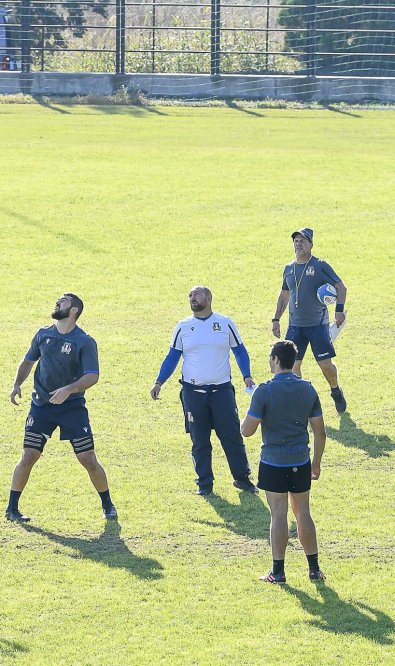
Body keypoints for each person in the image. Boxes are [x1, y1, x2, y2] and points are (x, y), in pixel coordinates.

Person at [6, 294, 116, 522]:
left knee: (87, 458)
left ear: (74, 310)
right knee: (28, 455)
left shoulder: (84, 341)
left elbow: (92, 376)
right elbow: (28, 361)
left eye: (63, 301)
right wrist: (17, 384)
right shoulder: (43, 334)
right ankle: (12, 509)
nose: (58, 302)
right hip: (41, 406)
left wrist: (69, 389)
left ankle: (108, 505)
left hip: (72, 408)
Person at [150, 286, 258, 495]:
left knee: (232, 437)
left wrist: (246, 375)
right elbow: (173, 356)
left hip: (222, 392)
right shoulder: (183, 327)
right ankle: (204, 483)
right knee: (199, 440)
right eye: (190, 295)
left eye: (197, 294)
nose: (192, 298)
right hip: (193, 393)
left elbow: (240, 351)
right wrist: (159, 382)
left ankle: (242, 479)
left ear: (209, 298)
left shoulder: (225, 323)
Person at [241, 340, 327, 584]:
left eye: (270, 357)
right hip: (301, 460)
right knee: (304, 514)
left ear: (277, 359)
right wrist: (316, 463)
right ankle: (314, 569)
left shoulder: (264, 391)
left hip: (273, 462)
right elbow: (320, 432)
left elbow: (247, 431)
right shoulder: (308, 389)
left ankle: (278, 572)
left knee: (279, 515)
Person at [272, 228, 348, 413]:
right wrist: (276, 319)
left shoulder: (320, 266)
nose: (298, 244)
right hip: (295, 327)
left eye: (303, 241)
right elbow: (284, 295)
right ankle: (302, 400)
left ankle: (335, 390)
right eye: (296, 241)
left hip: (317, 326)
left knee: (325, 365)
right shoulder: (289, 269)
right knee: (293, 365)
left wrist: (338, 310)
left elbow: (341, 287)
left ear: (311, 245)